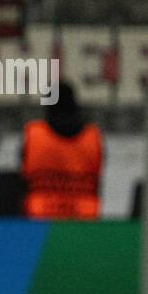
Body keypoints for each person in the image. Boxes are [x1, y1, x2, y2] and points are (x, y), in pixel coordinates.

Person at [21, 80, 102, 219]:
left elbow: (21, 182)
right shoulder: (93, 137)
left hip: (38, 223)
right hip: (84, 223)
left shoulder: (33, 135)